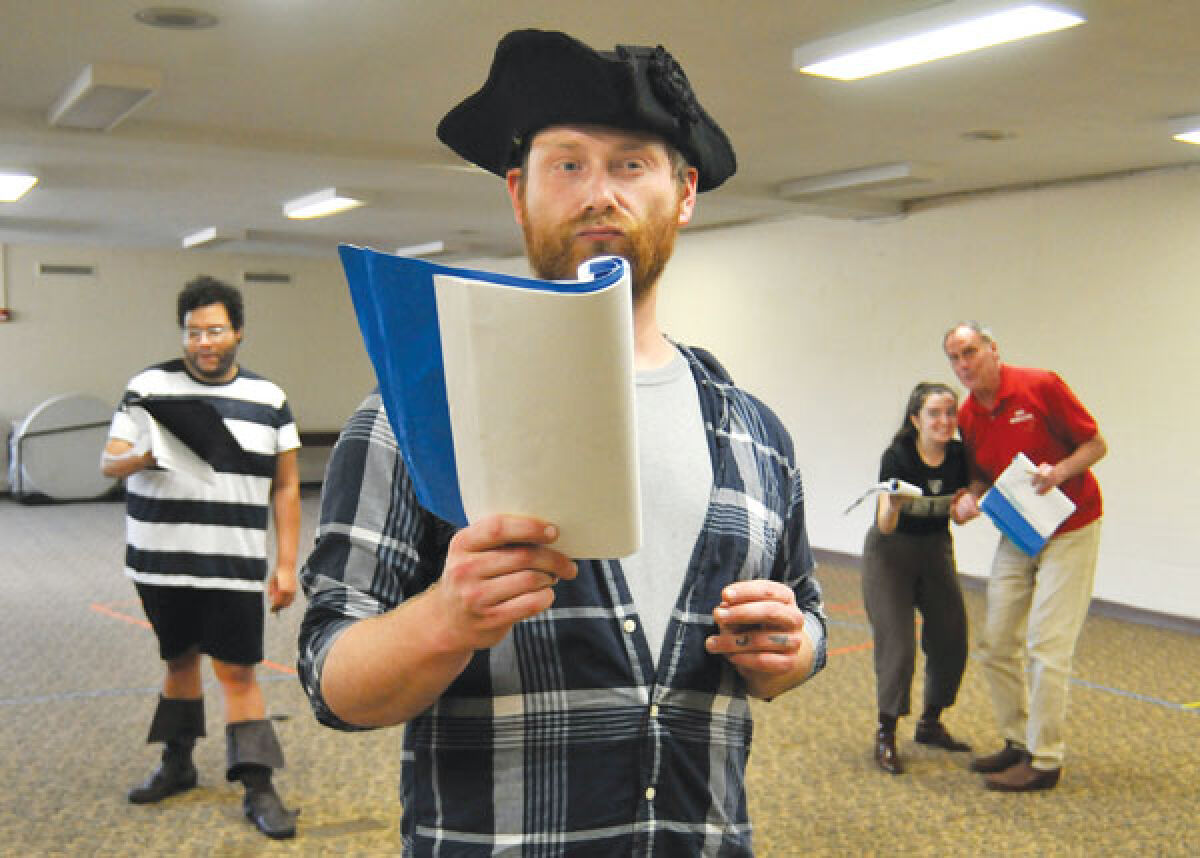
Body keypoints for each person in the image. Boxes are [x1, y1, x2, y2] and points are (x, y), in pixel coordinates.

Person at [298, 29, 826, 856]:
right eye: (567, 164)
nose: (598, 193)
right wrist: (446, 617)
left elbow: (808, 617)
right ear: (520, 193)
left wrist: (792, 649)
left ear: (683, 193)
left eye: (630, 165)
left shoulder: (756, 432)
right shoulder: (416, 414)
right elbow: (332, 679)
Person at [101, 276, 301, 839]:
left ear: (237, 331)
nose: (203, 342)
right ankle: (178, 762)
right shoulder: (148, 387)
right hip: (159, 558)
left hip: (233, 560)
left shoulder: (269, 400)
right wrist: (146, 454)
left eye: (215, 330)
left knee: (238, 671)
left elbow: (286, 487)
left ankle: (258, 785)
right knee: (178, 660)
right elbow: (108, 462)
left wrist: (286, 565)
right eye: (194, 332)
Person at [943, 321, 1106, 792]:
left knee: (1045, 644)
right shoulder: (970, 415)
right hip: (1020, 529)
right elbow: (979, 476)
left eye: (970, 352)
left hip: (1071, 525)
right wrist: (967, 501)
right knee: (995, 642)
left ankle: (1045, 759)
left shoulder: (1040, 386)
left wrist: (1060, 472)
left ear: (993, 350)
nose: (964, 365)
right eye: (954, 358)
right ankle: (1018, 742)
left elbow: (1096, 444)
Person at [862, 382, 974, 776]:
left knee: (952, 635)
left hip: (935, 548)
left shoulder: (959, 455)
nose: (944, 421)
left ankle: (930, 721)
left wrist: (967, 505)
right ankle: (886, 731)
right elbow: (885, 525)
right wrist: (892, 504)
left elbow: (962, 507)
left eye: (950, 413)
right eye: (934, 414)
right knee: (899, 646)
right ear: (916, 419)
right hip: (890, 553)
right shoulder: (897, 457)